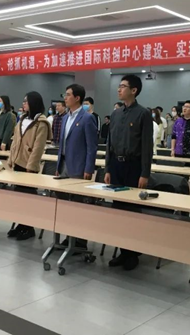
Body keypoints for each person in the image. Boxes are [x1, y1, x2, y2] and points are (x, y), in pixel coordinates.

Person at [105, 75, 153, 271]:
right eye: (119, 86)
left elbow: (147, 146)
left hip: (134, 167)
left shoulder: (143, 114)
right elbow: (110, 143)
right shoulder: (116, 114)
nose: (119, 89)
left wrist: (145, 173)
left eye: (123, 86)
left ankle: (132, 253)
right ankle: (122, 251)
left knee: (132, 211)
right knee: (118, 210)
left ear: (134, 90)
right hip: (116, 166)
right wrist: (107, 168)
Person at [56, 83, 98, 249]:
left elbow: (92, 147)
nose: (65, 98)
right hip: (64, 165)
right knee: (64, 203)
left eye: (68, 95)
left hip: (79, 167)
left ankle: (79, 242)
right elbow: (62, 144)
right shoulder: (65, 117)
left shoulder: (87, 118)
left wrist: (88, 168)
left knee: (77, 204)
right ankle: (68, 236)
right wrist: (58, 165)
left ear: (77, 98)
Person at [7, 91, 52, 241]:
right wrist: (11, 159)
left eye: (26, 101)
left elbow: (38, 147)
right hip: (17, 162)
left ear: (33, 103)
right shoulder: (22, 119)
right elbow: (15, 141)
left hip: (28, 165)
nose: (23, 104)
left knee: (28, 198)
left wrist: (31, 166)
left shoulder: (41, 123)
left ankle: (28, 227)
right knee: (19, 197)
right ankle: (21, 224)